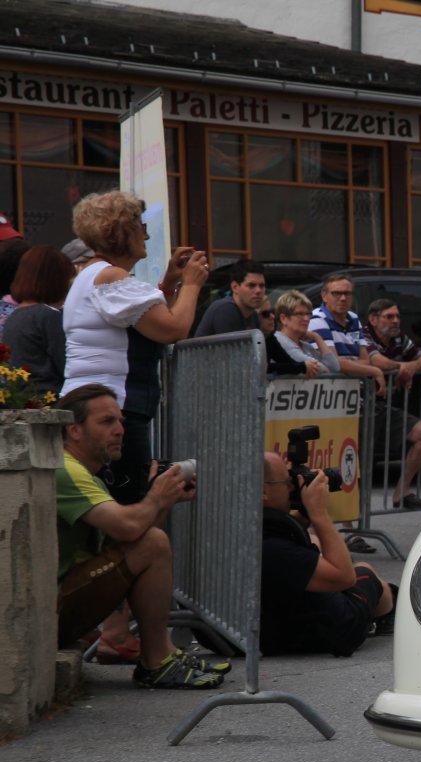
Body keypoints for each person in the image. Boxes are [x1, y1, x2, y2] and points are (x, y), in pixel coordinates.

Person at [53, 385, 225, 688]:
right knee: (153, 542)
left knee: (151, 541)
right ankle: (156, 662)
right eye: (107, 422)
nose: (120, 430)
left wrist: (163, 500)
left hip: (60, 607)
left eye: (120, 421)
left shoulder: (85, 474)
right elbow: (129, 529)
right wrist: (155, 498)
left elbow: (130, 543)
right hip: (51, 614)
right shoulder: (66, 470)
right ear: (74, 430)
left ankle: (163, 653)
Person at [61, 190, 210, 505]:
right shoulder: (110, 277)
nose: (146, 234)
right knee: (130, 504)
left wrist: (169, 284)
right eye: (140, 226)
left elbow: (143, 321)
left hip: (95, 406)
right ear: (120, 231)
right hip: (114, 409)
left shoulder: (94, 275)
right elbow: (172, 329)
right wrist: (192, 284)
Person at [260, 451, 395, 656]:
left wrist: (304, 513)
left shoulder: (250, 527)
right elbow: (345, 577)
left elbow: (287, 534)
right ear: (264, 491)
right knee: (365, 572)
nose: (291, 487)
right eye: (286, 482)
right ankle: (386, 618)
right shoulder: (276, 549)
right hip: (338, 629)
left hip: (275, 620)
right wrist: (319, 513)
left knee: (315, 541)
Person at [365, 298, 421, 510]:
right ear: (373, 319)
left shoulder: (399, 338)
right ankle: (351, 517)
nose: (396, 321)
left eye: (397, 316)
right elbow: (375, 360)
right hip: (359, 406)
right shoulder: (363, 335)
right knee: (357, 456)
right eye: (389, 317)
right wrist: (402, 367)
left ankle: (402, 493)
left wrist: (409, 368)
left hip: (383, 406)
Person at [3, 245, 74, 394]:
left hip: (23, 397)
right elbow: (67, 366)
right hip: (49, 397)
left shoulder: (14, 316)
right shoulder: (47, 316)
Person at [307, 273, 387, 398]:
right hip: (326, 395)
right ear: (324, 296)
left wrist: (346, 365)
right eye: (336, 293)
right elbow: (334, 363)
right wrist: (374, 371)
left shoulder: (354, 318)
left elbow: (366, 360)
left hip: (353, 395)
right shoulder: (317, 319)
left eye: (347, 293)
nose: (343, 298)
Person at [193, 259, 266, 337]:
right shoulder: (225, 309)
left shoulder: (253, 316)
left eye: (262, 286)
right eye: (252, 285)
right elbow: (236, 344)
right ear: (235, 287)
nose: (258, 290)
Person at [273, 290, 338, 375]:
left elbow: (334, 368)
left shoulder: (305, 346)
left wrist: (317, 337)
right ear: (283, 318)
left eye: (308, 314)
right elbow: (321, 370)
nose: (306, 319)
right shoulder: (278, 341)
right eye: (300, 314)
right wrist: (324, 369)